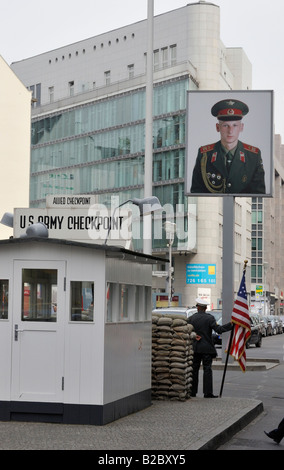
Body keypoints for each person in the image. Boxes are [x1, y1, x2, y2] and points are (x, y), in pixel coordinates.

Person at [190, 99, 266, 194]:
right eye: (225, 125)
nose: (230, 131)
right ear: (218, 127)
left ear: (241, 127)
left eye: (235, 125)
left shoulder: (253, 156)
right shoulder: (204, 154)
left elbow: (259, 193)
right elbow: (196, 191)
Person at [187, 298, 232, 398]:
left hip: (195, 348)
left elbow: (187, 331)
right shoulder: (209, 318)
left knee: (194, 370)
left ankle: (192, 392)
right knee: (207, 370)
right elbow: (219, 330)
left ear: (197, 307)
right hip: (207, 348)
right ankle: (207, 393)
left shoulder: (191, 318)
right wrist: (231, 325)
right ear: (205, 308)